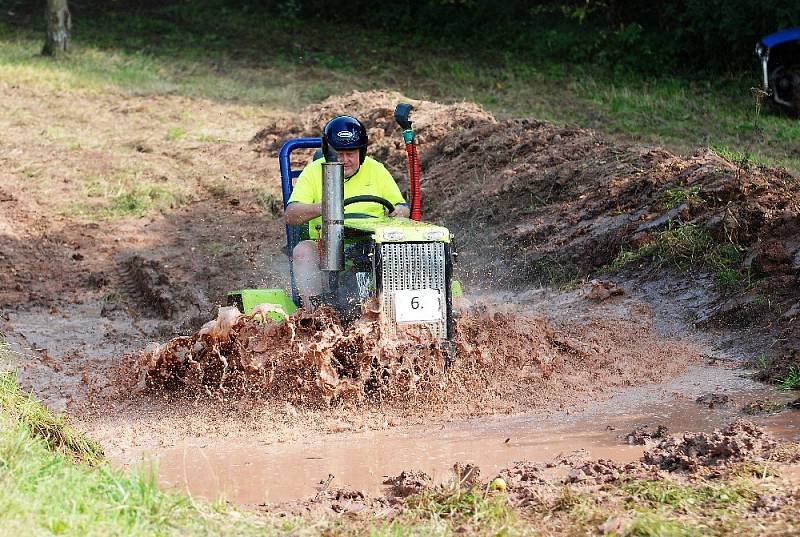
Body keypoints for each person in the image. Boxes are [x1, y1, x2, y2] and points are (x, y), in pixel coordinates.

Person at [285, 115, 409, 308]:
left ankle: (401, 308)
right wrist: (324, 207)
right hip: (325, 246)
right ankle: (316, 315)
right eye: (338, 154)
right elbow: (291, 214)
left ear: (362, 151)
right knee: (302, 251)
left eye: (350, 153)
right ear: (327, 152)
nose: (345, 160)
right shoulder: (313, 171)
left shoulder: (377, 170)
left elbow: (401, 207)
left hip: (371, 245)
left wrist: (400, 211)